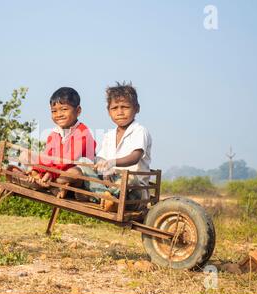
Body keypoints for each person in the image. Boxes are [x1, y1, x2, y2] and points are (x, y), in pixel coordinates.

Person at [78, 82, 152, 212]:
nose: (120, 112)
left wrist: (112, 163)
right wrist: (104, 168)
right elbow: (101, 157)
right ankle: (106, 197)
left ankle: (101, 196)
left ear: (137, 108)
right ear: (109, 111)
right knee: (83, 162)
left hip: (133, 191)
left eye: (125, 107)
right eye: (115, 108)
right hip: (111, 182)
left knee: (128, 178)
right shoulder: (109, 135)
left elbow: (135, 157)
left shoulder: (140, 131)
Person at [12, 87, 96, 197]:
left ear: (78, 111)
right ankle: (41, 181)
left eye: (64, 109)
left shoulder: (82, 132)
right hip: (54, 173)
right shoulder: (54, 134)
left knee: (74, 172)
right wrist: (37, 170)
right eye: (54, 111)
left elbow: (69, 160)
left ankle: (45, 184)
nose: (59, 114)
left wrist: (50, 173)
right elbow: (48, 157)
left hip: (74, 177)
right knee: (24, 155)